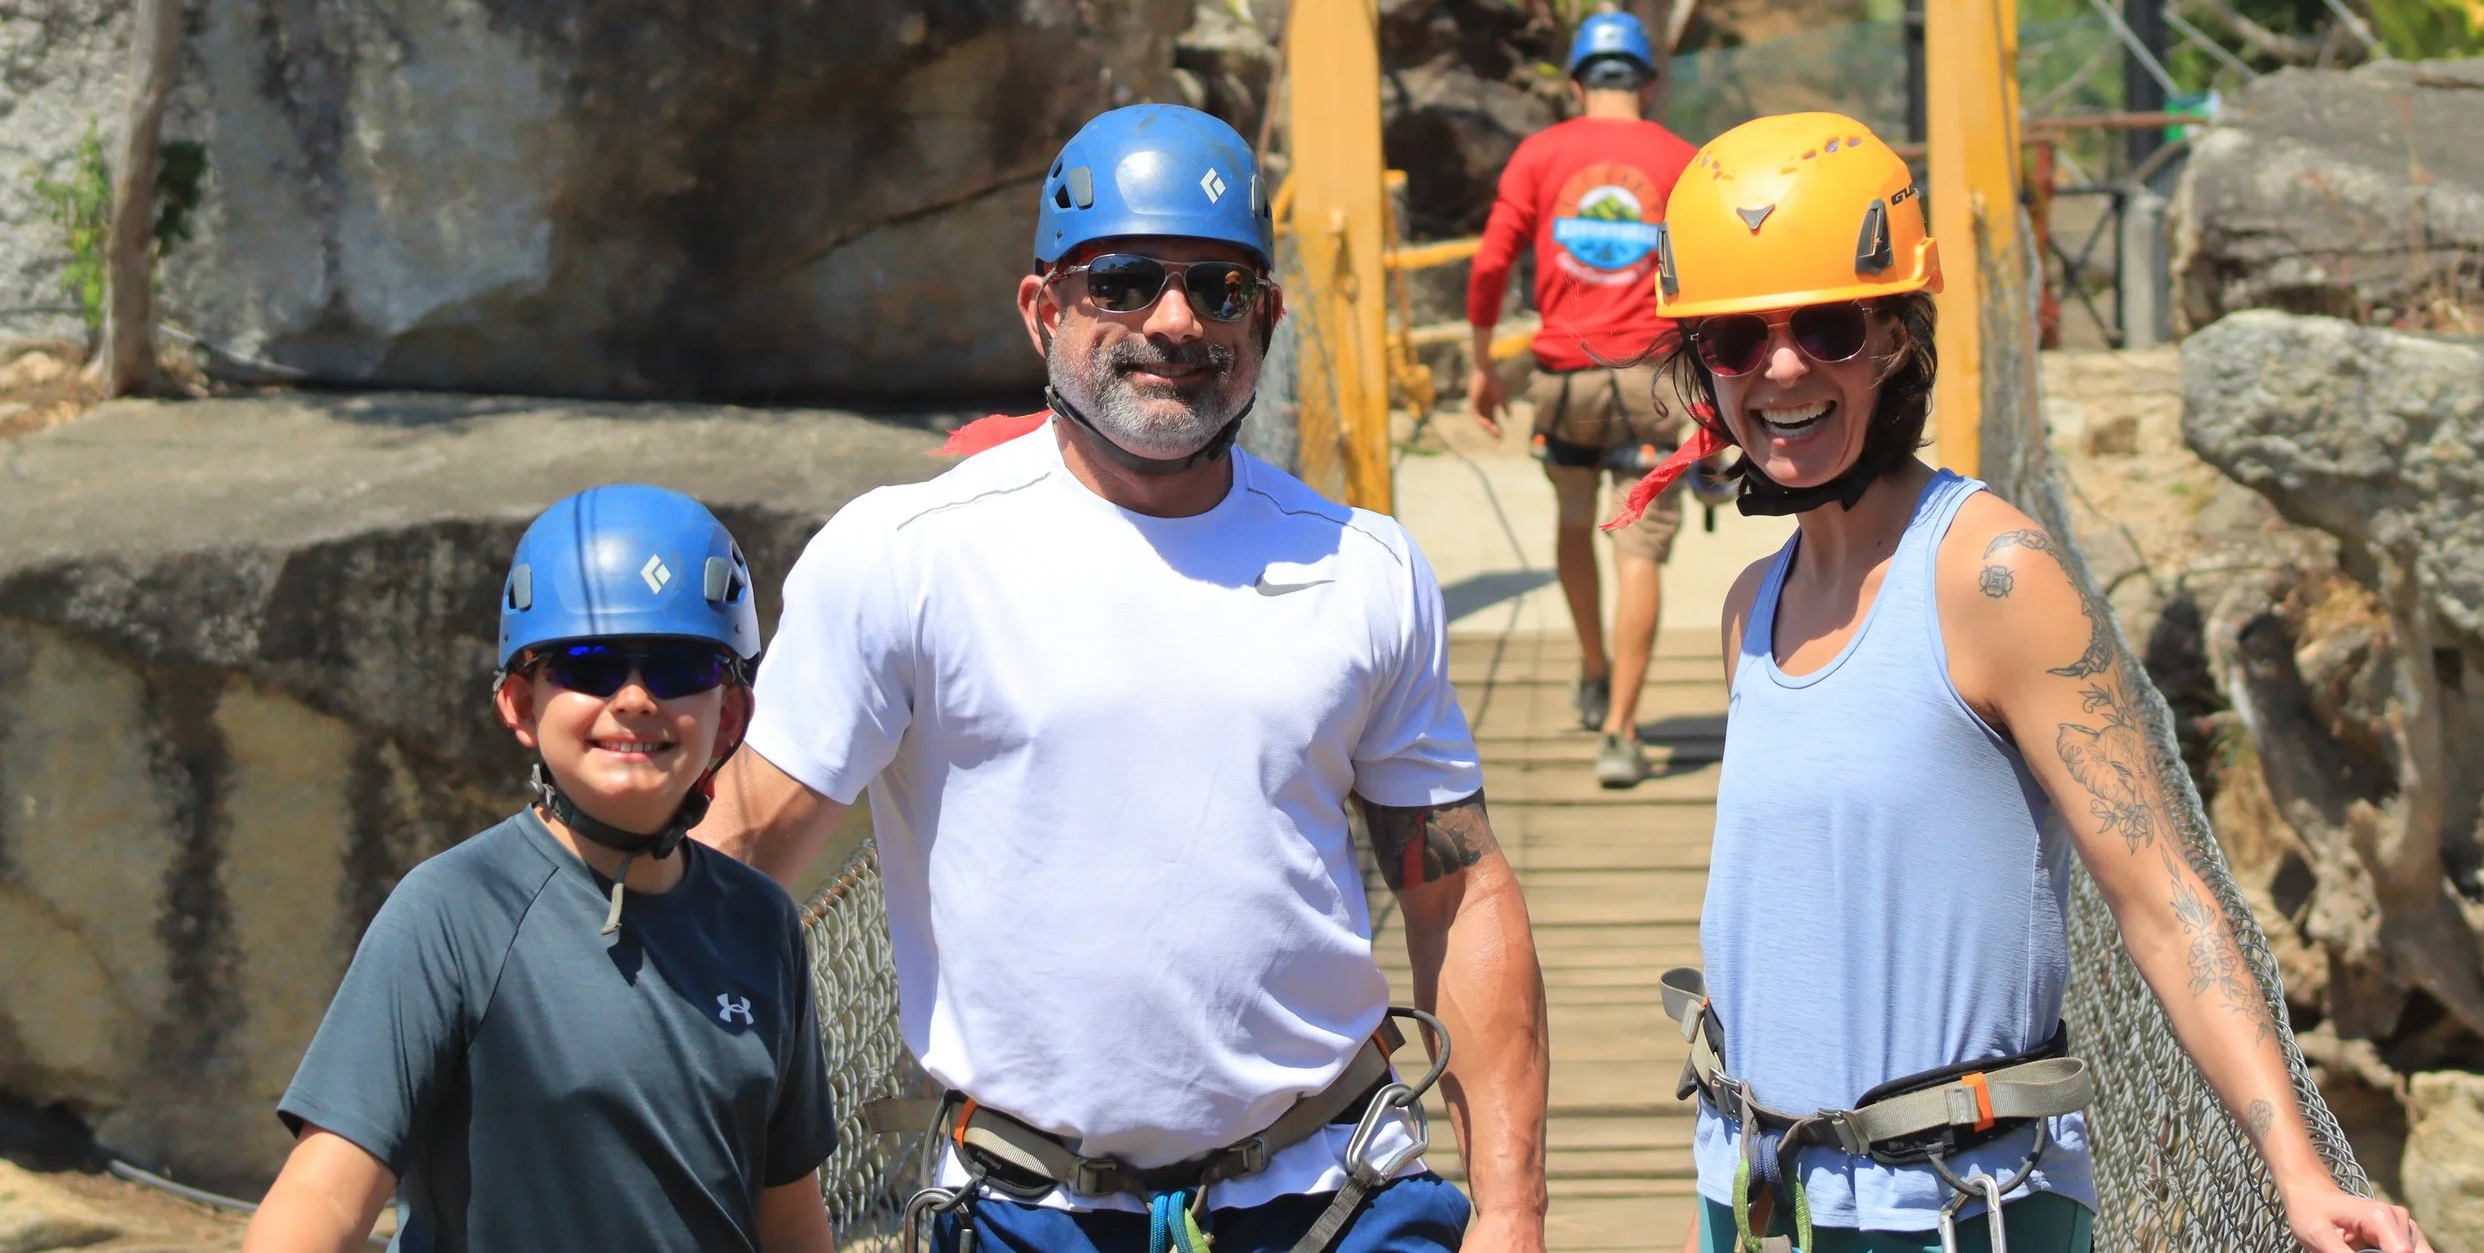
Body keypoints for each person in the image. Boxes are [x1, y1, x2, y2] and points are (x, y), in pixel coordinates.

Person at [696, 104, 1550, 1253]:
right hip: (1021, 1210)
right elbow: (737, 859)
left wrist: (1513, 1210)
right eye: (1124, 281)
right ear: (1042, 309)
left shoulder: (1364, 566)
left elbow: (1458, 888)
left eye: (1220, 287)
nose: (1175, 319)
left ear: (1271, 316)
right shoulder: (907, 555)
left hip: (1335, 1194)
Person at [1608, 112, 2428, 1253]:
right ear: (1703, 363)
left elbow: (2163, 892)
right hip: (1757, 1198)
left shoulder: (1993, 571)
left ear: (1895, 334)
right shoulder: (1752, 605)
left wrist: (2294, 1165)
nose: (1782, 367)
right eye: (1738, 338)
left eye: (1830, 327)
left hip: (1951, 1211)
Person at [246, 486, 837, 1253]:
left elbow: (789, 1217)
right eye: (588, 664)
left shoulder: (761, 924)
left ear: (729, 716)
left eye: (677, 665)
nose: (633, 698)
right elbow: (323, 1193)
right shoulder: (453, 912)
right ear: (521, 703)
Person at [1464, 10, 1699, 788]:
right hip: (1655, 381)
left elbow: (1493, 262)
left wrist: (1480, 361)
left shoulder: (1540, 154)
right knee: (1638, 547)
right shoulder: (1682, 160)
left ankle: (1594, 666)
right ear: (1649, 84)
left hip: (1565, 379)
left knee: (1573, 520)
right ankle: (1623, 732)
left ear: (1575, 84)